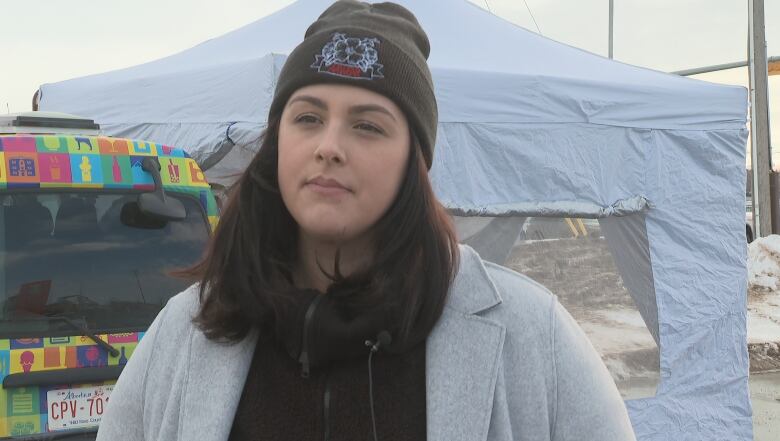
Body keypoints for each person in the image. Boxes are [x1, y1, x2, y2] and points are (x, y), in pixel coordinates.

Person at [96, 1, 637, 440]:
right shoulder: (186, 330)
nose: (329, 147)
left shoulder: (532, 335)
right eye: (307, 118)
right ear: (278, 140)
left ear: (414, 161)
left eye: (368, 126)